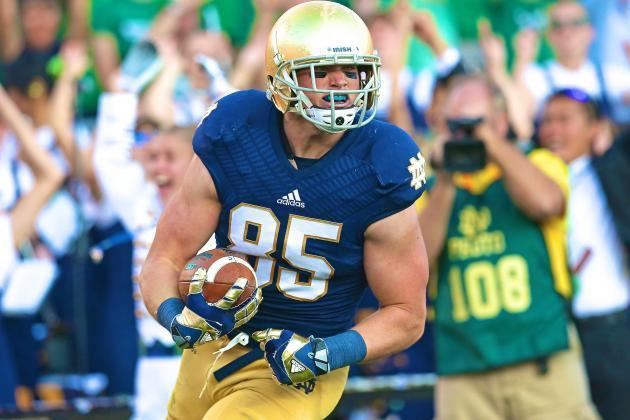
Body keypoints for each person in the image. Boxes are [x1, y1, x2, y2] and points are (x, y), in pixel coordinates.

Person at [140, 2, 429, 419]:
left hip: (300, 364)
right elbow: (163, 258)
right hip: (213, 347)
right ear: (282, 79)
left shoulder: (380, 164)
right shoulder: (236, 131)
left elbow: (406, 314)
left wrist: (325, 353)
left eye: (353, 71)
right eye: (321, 71)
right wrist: (174, 317)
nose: (341, 84)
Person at [418, 74, 599, 419]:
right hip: (464, 368)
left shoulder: (539, 162)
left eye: (476, 121)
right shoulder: (428, 187)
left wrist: (491, 143)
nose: (465, 133)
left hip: (542, 358)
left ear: (501, 121)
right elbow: (418, 263)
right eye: (455, 124)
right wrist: (445, 176)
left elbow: (546, 203)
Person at [538, 88, 630, 420]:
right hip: (559, 338)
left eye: (564, 120)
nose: (553, 130)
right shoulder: (528, 183)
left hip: (617, 331)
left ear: (595, 128)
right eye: (546, 120)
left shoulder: (613, 170)